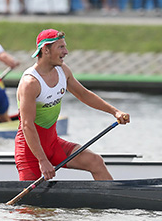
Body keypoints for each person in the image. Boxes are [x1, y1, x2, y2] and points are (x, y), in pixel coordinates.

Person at [15, 29, 129, 181]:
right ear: (45, 50)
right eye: (61, 47)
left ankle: (113, 203)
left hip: (53, 144)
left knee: (95, 162)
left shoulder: (63, 70)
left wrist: (115, 112)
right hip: (30, 151)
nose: (66, 51)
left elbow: (84, 94)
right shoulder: (30, 83)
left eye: (65, 47)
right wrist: (42, 160)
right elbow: (27, 125)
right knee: (29, 205)